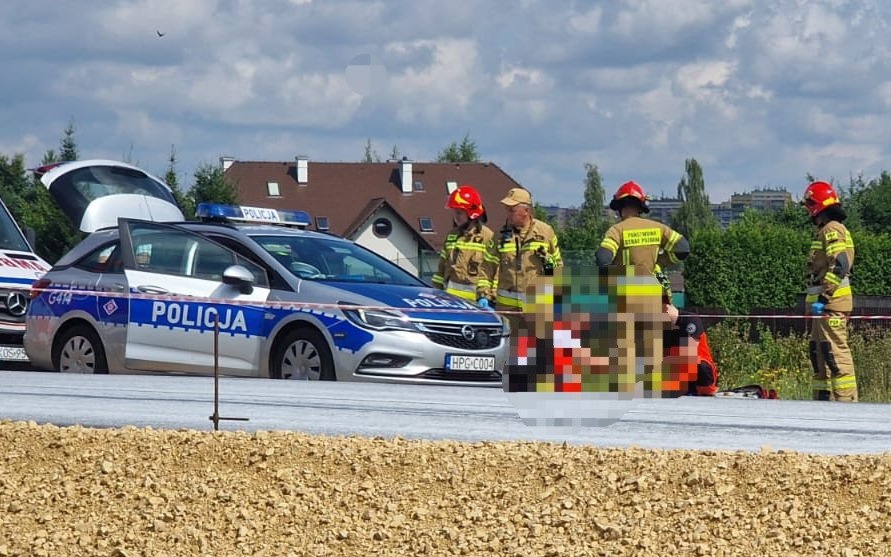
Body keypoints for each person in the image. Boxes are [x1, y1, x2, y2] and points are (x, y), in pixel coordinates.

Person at [594, 180, 691, 398]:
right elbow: (684, 248)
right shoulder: (658, 228)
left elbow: (602, 258)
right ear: (641, 206)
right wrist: (662, 261)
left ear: (619, 208)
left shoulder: (617, 230)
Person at [801, 180, 857, 402]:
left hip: (831, 305)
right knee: (819, 355)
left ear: (816, 205)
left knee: (836, 356)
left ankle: (846, 405)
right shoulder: (824, 230)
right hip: (823, 308)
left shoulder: (833, 229)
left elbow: (841, 264)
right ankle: (822, 404)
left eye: (809, 205)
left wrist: (824, 298)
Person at [480, 187, 562, 317]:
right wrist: (484, 294)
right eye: (507, 210)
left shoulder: (545, 232)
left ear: (526, 211)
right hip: (507, 309)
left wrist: (547, 262)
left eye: (512, 210)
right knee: (508, 338)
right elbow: (486, 267)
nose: (508, 214)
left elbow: (558, 267)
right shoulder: (499, 235)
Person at [431, 185, 495, 305]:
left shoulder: (488, 237)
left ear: (472, 213)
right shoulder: (451, 236)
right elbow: (441, 270)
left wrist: (486, 297)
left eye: (459, 213)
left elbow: (494, 272)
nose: (456, 217)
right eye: (455, 213)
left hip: (475, 304)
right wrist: (435, 292)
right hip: (449, 302)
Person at [662, 302, 719, 397]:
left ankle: (702, 390)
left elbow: (688, 353)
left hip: (701, 374)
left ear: (666, 307)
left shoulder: (690, 320)